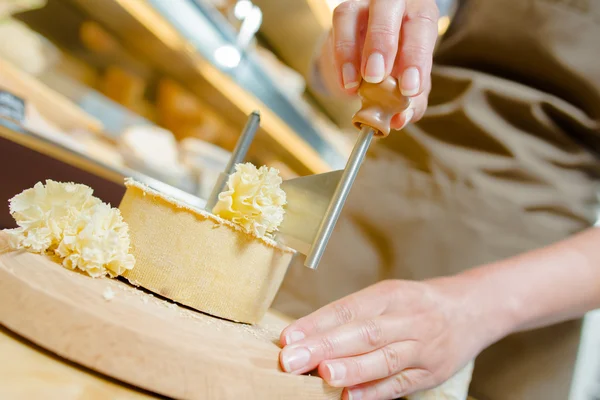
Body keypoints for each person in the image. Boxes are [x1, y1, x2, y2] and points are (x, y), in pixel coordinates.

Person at [271, 0, 600, 399]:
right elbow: (333, 73)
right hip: (380, 203)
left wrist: (475, 309)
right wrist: (355, 51)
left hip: (530, 286)